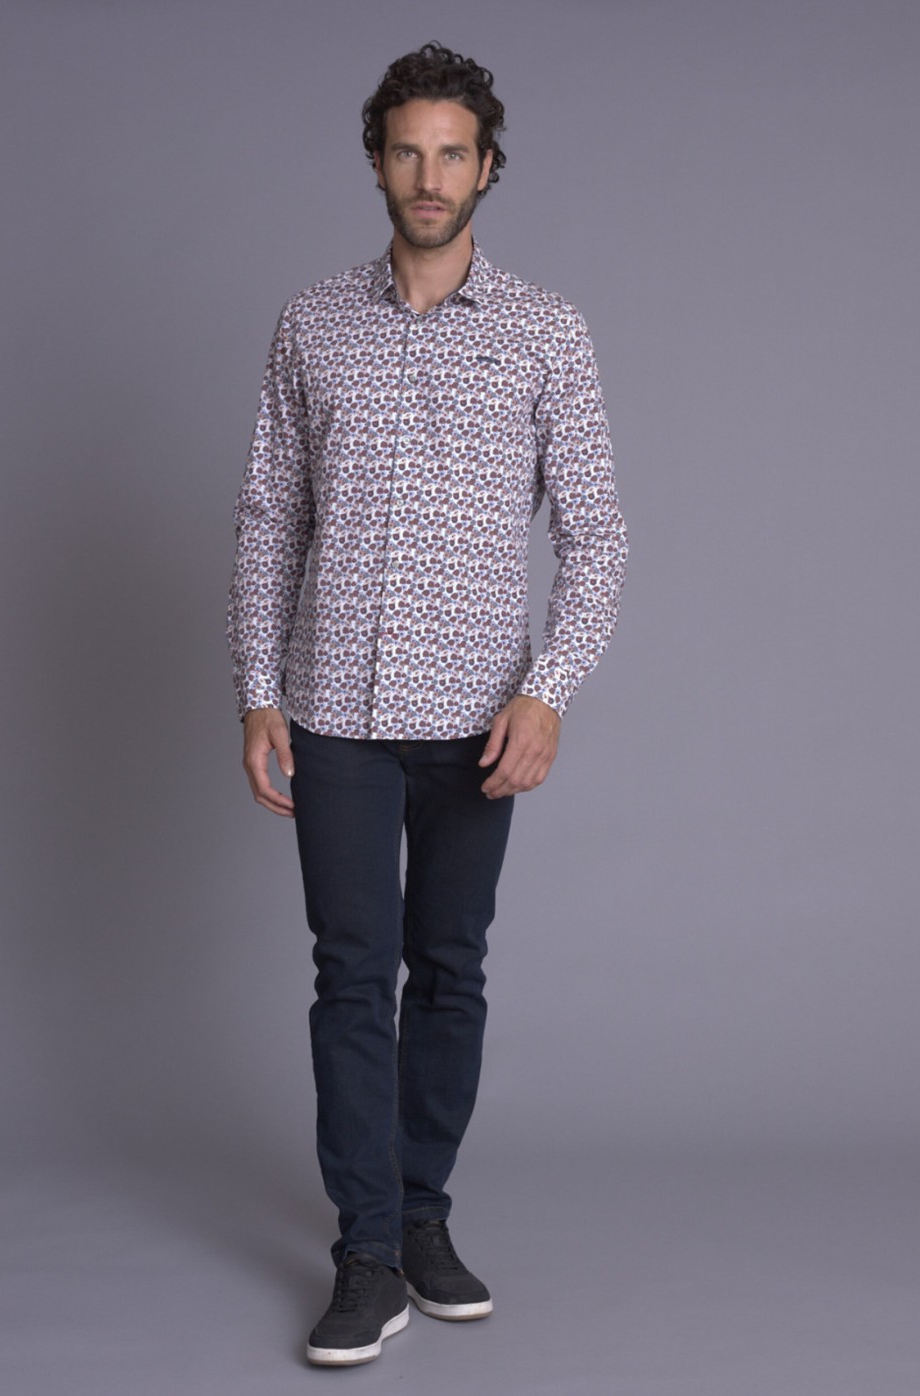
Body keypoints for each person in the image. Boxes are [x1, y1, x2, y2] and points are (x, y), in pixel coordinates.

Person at [227, 41, 627, 1367]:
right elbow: (271, 516)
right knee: (351, 978)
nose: (430, 176)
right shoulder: (311, 323)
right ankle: (364, 1255)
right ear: (377, 162)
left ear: (488, 168)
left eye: (454, 153)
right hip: (334, 715)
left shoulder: (546, 331)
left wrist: (548, 693)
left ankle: (422, 1214)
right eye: (408, 150)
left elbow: (598, 536)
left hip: (477, 722)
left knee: (449, 971)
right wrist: (259, 691)